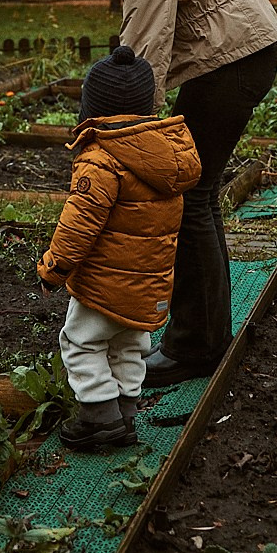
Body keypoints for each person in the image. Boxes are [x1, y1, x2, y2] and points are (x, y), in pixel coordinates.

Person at [34, 0, 277, 386]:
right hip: (238, 52)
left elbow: (147, 39)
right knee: (200, 192)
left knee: (185, 191)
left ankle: (196, 347)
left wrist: (123, 136)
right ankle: (205, 337)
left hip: (231, 60)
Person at [38, 43, 202, 449]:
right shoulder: (166, 156)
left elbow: (78, 225)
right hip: (149, 281)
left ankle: (98, 417)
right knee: (130, 345)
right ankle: (126, 417)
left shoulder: (101, 158)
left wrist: (53, 269)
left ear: (93, 108)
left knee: (79, 343)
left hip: (103, 284)